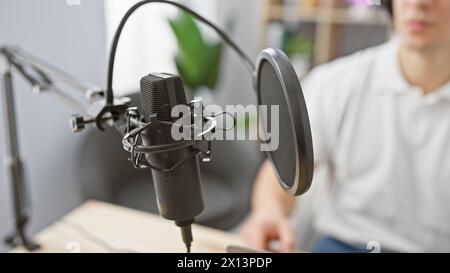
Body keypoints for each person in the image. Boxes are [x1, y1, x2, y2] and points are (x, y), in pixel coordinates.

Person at [241, 0, 450, 253]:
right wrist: (268, 212)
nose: (419, 3)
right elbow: (281, 174)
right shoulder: (335, 83)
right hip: (343, 246)